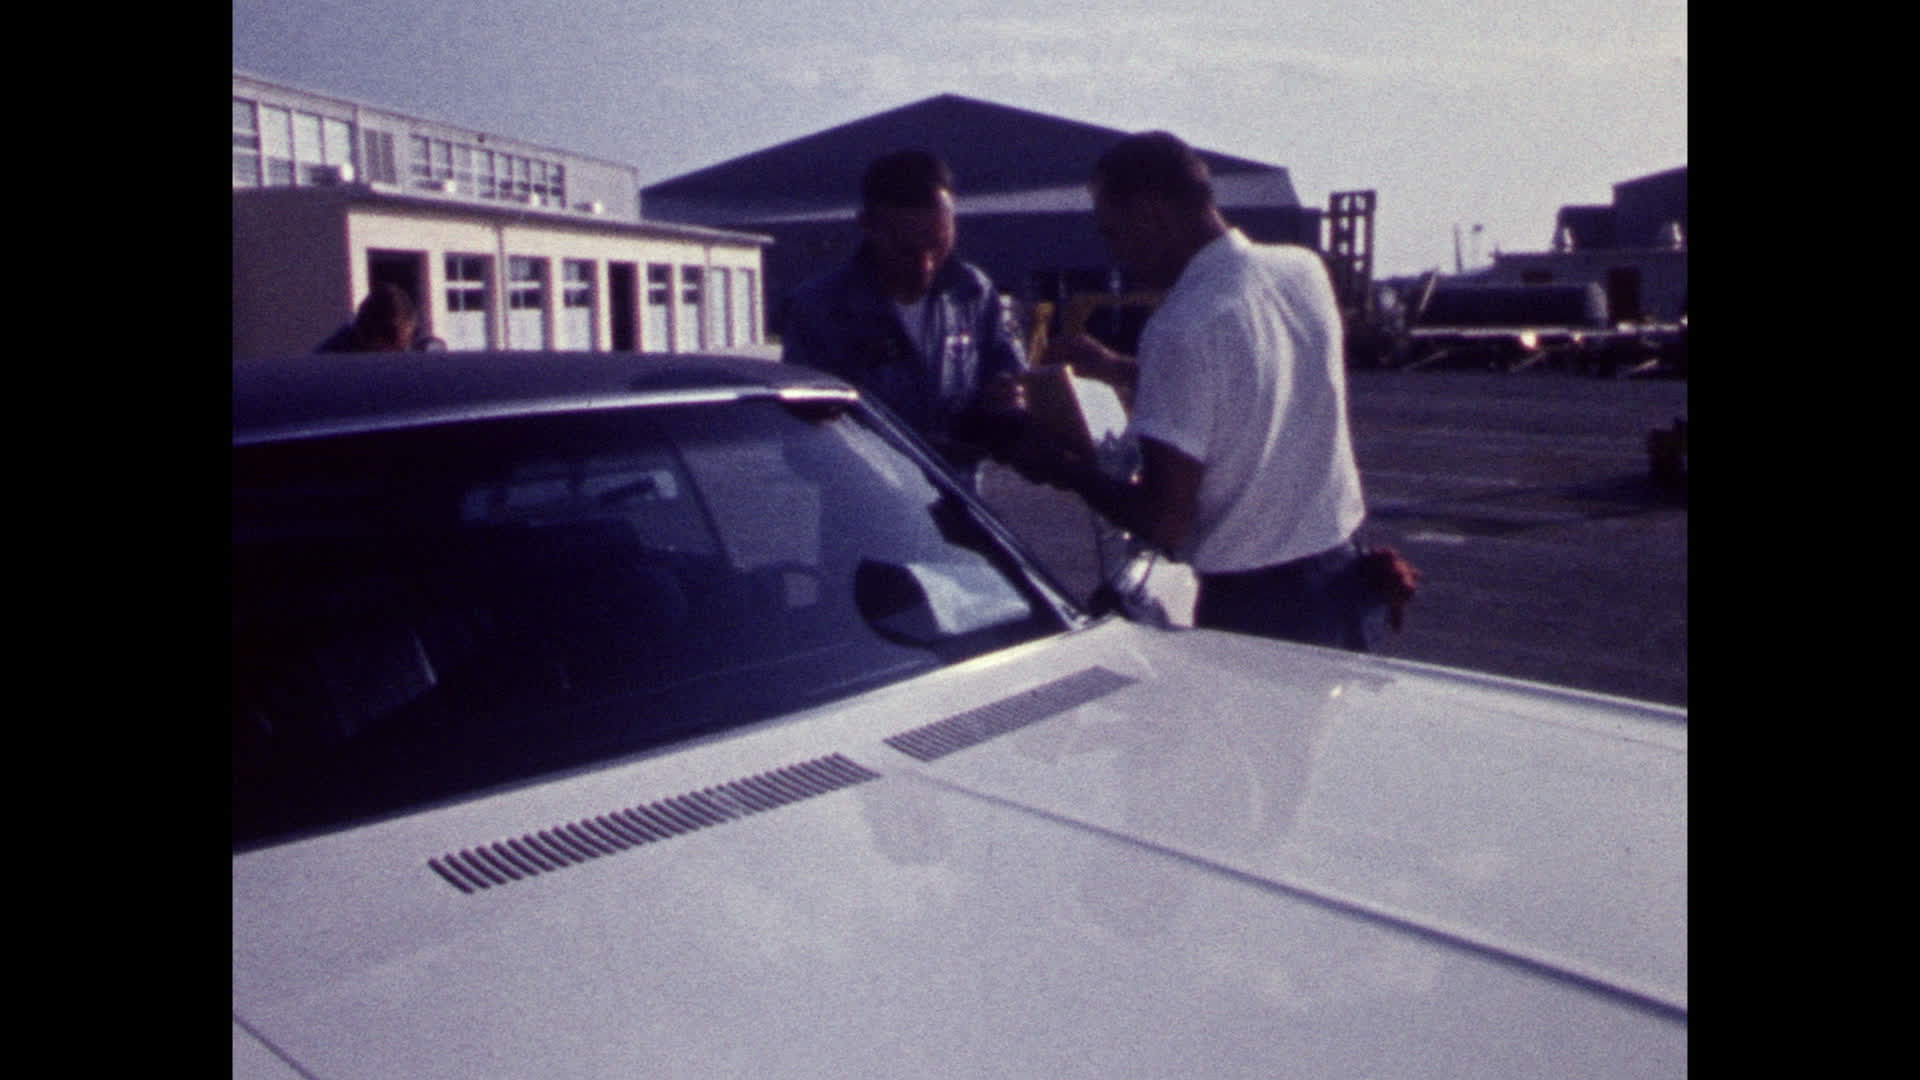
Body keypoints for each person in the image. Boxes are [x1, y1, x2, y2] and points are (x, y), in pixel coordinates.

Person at [1030, 131, 1416, 649]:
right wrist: (1117, 367)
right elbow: (1247, 383)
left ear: (1152, 215)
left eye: (1115, 233)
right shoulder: (1303, 270)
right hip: (1344, 582)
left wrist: (1061, 467)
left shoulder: (1182, 325)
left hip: (1259, 612)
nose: (1117, 255)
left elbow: (1165, 521)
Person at [780, 149, 1027, 490]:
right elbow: (802, 445)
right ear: (867, 226)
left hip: (961, 510)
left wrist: (1006, 407)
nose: (924, 265)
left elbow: (1013, 390)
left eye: (937, 246)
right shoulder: (819, 311)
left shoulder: (973, 294)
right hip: (867, 518)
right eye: (906, 250)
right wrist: (901, 461)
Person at [315, 283, 443, 352]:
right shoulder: (329, 364)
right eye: (396, 349)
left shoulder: (411, 350)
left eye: (405, 344)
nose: (402, 354)